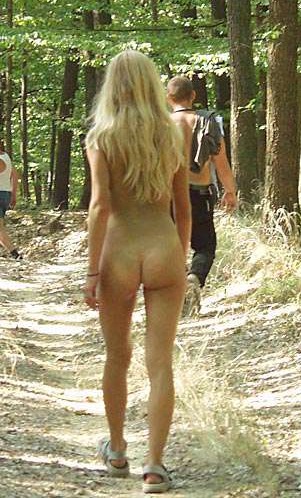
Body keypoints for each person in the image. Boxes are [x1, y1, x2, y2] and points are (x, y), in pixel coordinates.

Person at [83, 50, 191, 494]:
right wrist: (181, 257)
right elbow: (183, 208)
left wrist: (92, 272)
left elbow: (99, 206)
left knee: (117, 355)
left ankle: (117, 448)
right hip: (164, 248)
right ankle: (155, 466)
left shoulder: (102, 137)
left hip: (120, 252)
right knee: (160, 361)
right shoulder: (173, 133)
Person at [167, 76, 238, 317]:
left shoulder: (161, 124)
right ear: (193, 96)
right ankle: (194, 278)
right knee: (205, 245)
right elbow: (221, 161)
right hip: (200, 193)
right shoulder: (207, 122)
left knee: (172, 247)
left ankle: (175, 296)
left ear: (168, 98)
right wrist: (230, 191)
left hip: (167, 195)